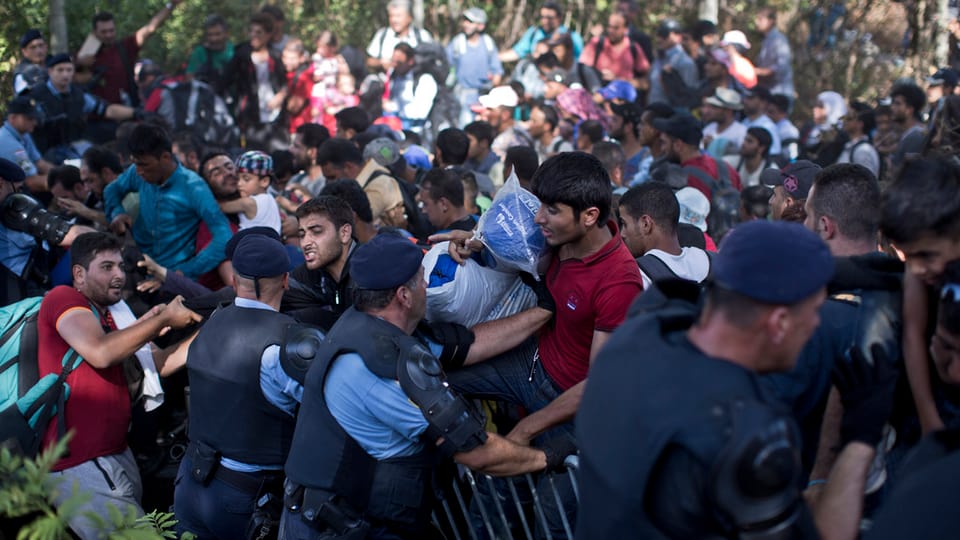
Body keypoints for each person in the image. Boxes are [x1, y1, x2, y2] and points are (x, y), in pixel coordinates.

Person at [577, 219, 896, 539]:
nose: (816, 325)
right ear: (780, 323)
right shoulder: (748, 436)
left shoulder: (640, 332)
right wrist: (860, 438)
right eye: (814, 311)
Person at [279, 233, 551, 539]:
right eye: (422, 280)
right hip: (339, 527)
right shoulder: (382, 368)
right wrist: (547, 457)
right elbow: (475, 451)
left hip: (337, 517)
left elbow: (466, 346)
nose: (426, 287)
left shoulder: (365, 325)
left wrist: (542, 311)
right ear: (403, 296)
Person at [444, 152, 643, 536]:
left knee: (551, 514)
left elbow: (598, 384)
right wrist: (472, 242)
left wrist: (525, 430)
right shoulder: (558, 235)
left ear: (588, 216)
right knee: (435, 372)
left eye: (551, 210)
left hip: (570, 404)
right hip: (530, 363)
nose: (538, 219)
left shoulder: (620, 282)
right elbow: (507, 241)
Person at [38, 232, 200, 539]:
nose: (119, 275)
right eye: (107, 267)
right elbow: (101, 352)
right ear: (79, 274)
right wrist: (159, 320)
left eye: (121, 267)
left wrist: (210, 329)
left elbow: (161, 363)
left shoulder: (111, 318)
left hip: (114, 455)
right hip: (83, 464)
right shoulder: (63, 298)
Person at [174, 233, 300, 539]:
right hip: (242, 496)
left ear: (233, 280)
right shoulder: (285, 341)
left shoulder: (212, 322)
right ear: (285, 280)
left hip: (190, 480)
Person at [880, 158, 960, 436]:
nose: (914, 269)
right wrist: (931, 426)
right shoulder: (922, 254)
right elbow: (913, 333)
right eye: (907, 256)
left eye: (926, 256)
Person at [103, 123, 232, 280]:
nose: (138, 171)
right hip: (138, 268)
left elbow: (224, 237)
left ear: (165, 158)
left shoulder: (193, 187)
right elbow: (111, 190)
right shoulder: (137, 171)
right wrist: (117, 213)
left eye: (144, 165)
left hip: (172, 280)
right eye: (135, 163)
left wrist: (183, 272)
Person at [0, 158, 96, 304]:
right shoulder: (16, 209)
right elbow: (77, 235)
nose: (22, 196)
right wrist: (111, 242)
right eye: (18, 190)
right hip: (24, 305)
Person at [29, 54, 136, 163]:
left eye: (69, 70)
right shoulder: (35, 95)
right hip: (44, 153)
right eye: (60, 70)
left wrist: (136, 113)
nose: (65, 74)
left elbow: (107, 110)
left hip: (74, 148)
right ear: (50, 71)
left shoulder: (79, 95)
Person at [76, 5, 182, 106]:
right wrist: (78, 63)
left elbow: (150, 28)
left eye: (111, 30)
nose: (108, 35)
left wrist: (170, 5)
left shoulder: (125, 47)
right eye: (103, 32)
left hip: (126, 112)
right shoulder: (85, 54)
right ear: (95, 32)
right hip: (96, 117)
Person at [618, 181, 711, 287]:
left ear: (645, 224)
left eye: (624, 224)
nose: (622, 234)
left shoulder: (636, 277)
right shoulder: (710, 262)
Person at [219, 13, 288, 152]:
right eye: (251, 31)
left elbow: (284, 83)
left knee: (279, 152)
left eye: (258, 32)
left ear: (268, 35)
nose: (253, 35)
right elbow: (224, 81)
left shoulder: (274, 55)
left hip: (274, 113)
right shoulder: (241, 54)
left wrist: (280, 96)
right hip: (251, 116)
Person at [655, 112, 742, 199]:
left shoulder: (683, 180)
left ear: (678, 145)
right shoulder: (726, 167)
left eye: (664, 142)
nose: (663, 149)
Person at [447, 8, 504, 128]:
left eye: (470, 22)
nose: (466, 25)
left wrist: (492, 96)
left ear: (480, 26)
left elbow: (497, 72)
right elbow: (446, 66)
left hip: (482, 97)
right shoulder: (458, 43)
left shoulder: (488, 44)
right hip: (460, 96)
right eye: (465, 21)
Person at [219, 151, 283, 234]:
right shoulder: (270, 198)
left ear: (264, 181)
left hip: (252, 245)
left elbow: (221, 207)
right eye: (238, 178)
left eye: (246, 179)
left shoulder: (249, 203)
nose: (239, 184)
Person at [579, 12, 649, 87]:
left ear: (625, 29)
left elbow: (647, 80)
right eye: (609, 27)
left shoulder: (634, 48)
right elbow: (582, 69)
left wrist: (618, 80)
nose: (611, 31)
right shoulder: (597, 43)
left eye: (616, 28)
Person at [500, 1, 584, 63]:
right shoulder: (534, 32)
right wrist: (493, 58)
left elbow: (578, 63)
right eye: (542, 17)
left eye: (549, 18)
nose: (545, 21)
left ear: (559, 18)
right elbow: (517, 52)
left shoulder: (572, 37)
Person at [383, 42, 438, 134]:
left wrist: (395, 108)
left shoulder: (424, 80)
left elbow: (421, 112)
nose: (395, 65)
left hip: (417, 133)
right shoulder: (394, 76)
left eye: (399, 63)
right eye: (393, 61)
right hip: (394, 130)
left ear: (410, 61)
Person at [0, 95, 52, 192]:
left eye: (34, 118)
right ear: (12, 118)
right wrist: (65, 183)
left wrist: (64, 174)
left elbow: (40, 163)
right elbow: (31, 182)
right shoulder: (8, 143)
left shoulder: (23, 134)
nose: (34, 122)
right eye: (29, 118)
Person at [366, 0, 434, 71]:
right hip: (386, 80)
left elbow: (432, 59)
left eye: (398, 16)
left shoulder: (422, 36)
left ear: (409, 18)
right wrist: (381, 62)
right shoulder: (382, 35)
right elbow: (369, 61)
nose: (394, 20)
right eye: (391, 16)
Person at [647, 19, 699, 108]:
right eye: (658, 34)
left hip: (672, 115)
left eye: (664, 35)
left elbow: (689, 95)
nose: (659, 39)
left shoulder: (685, 62)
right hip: (653, 111)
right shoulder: (659, 58)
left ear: (678, 36)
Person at [474, 86, 534, 160]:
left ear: (505, 115)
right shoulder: (493, 131)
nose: (485, 112)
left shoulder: (518, 142)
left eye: (490, 109)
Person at [418, 168, 477, 234]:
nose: (423, 211)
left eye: (425, 204)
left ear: (443, 204)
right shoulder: (483, 226)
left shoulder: (441, 241)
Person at [754, 7, 795, 98]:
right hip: (768, 90)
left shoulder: (779, 39)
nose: (757, 22)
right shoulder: (766, 40)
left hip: (779, 92)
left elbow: (782, 66)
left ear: (771, 21)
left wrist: (761, 72)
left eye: (760, 19)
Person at [888, 82, 927, 176]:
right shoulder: (908, 134)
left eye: (897, 104)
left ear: (910, 109)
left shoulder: (916, 136)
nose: (892, 108)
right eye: (893, 103)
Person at [186, 14, 234, 87]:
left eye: (217, 34)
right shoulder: (199, 52)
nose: (213, 39)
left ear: (226, 33)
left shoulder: (234, 51)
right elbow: (189, 79)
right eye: (210, 35)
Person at [835, 101, 880, 177]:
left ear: (860, 124)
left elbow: (866, 184)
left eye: (849, 117)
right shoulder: (851, 146)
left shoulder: (863, 151)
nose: (844, 120)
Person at [700, 87, 747, 156]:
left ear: (728, 111)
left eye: (715, 107)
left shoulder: (741, 132)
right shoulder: (708, 128)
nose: (709, 111)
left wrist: (714, 145)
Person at [13, 29, 48, 95]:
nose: (38, 51)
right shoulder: (22, 75)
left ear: (46, 47)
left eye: (41, 45)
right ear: (24, 52)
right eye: (33, 48)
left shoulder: (55, 66)